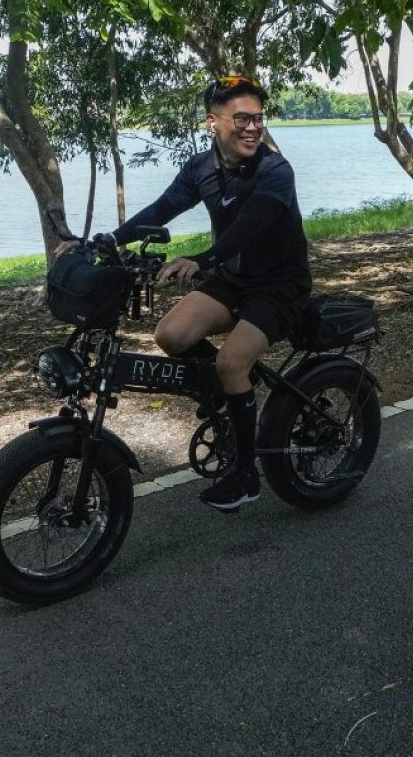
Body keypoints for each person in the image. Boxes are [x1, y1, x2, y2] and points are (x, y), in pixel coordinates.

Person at [57, 74, 311, 511]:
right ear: (213, 122)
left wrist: (203, 259)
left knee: (231, 360)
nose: (253, 128)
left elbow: (253, 225)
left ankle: (246, 473)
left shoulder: (275, 170)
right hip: (233, 279)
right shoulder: (202, 168)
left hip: (279, 285)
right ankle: (229, 395)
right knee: (171, 336)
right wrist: (108, 241)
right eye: (241, 119)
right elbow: (162, 208)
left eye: (258, 119)